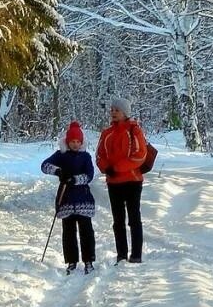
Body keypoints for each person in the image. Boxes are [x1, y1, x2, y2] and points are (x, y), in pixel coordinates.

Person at [95, 98, 147, 264]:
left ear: (125, 112)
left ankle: (136, 254)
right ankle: (121, 254)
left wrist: (117, 168)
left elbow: (139, 155)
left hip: (132, 180)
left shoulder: (134, 131)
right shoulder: (106, 133)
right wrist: (105, 168)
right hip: (113, 183)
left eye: (117, 109)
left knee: (133, 218)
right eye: (112, 109)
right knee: (118, 221)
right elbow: (99, 155)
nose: (113, 112)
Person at [41, 121, 96, 274]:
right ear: (67, 141)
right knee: (68, 232)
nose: (75, 144)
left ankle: (88, 260)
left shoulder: (85, 157)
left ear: (82, 142)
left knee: (86, 232)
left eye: (78, 141)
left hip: (83, 200)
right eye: (72, 141)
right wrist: (59, 171)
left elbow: (90, 175)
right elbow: (44, 166)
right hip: (65, 199)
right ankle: (71, 261)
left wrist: (75, 179)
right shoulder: (61, 155)